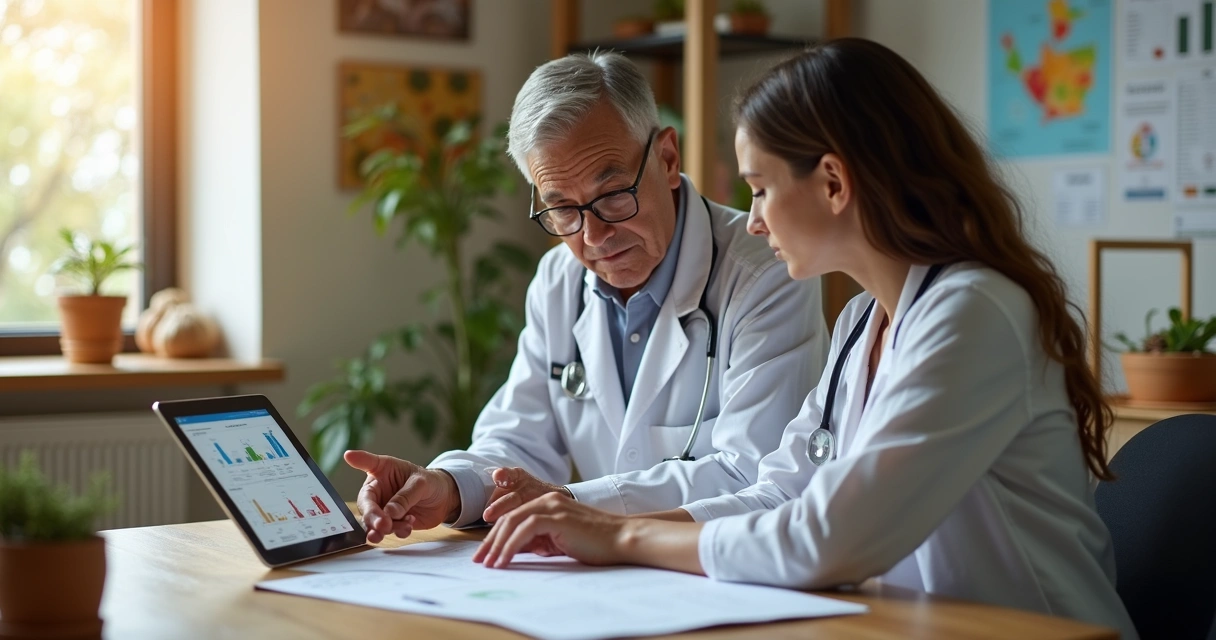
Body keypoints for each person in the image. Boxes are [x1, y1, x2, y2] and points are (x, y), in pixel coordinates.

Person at [471, 39, 1138, 638]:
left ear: (833, 183)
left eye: (760, 189)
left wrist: (622, 538)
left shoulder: (973, 313)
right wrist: (592, 528)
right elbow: (779, 492)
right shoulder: (862, 324)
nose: (753, 222)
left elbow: (829, 537)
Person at [345, 51, 829, 541]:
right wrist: (447, 486)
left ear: (666, 159)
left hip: (725, 575)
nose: (594, 236)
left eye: (614, 193)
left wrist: (571, 504)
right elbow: (518, 438)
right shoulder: (559, 279)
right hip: (610, 575)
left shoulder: (767, 272)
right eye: (562, 209)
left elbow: (755, 474)